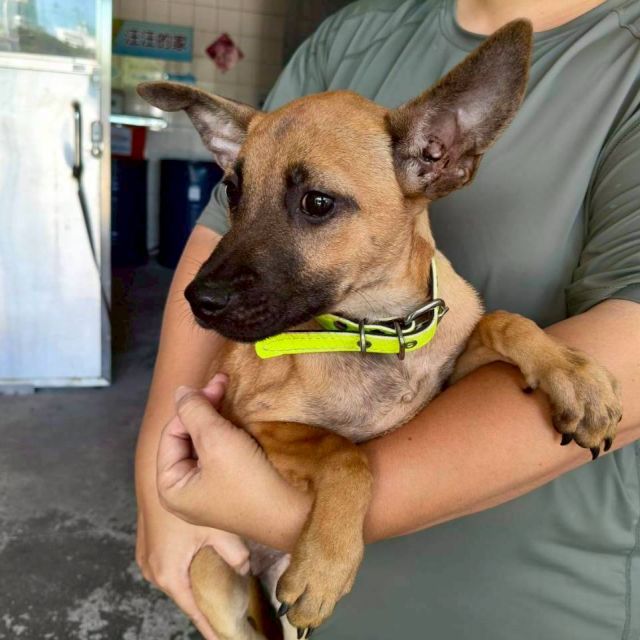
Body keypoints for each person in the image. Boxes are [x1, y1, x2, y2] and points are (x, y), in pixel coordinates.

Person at [135, 1, 640, 638]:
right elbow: (218, 244)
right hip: (297, 588)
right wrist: (156, 481)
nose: (214, 292)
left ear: (442, 156)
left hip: (536, 594)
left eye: (317, 205)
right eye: (240, 191)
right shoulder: (352, 34)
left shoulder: (625, 59)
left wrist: (302, 511)